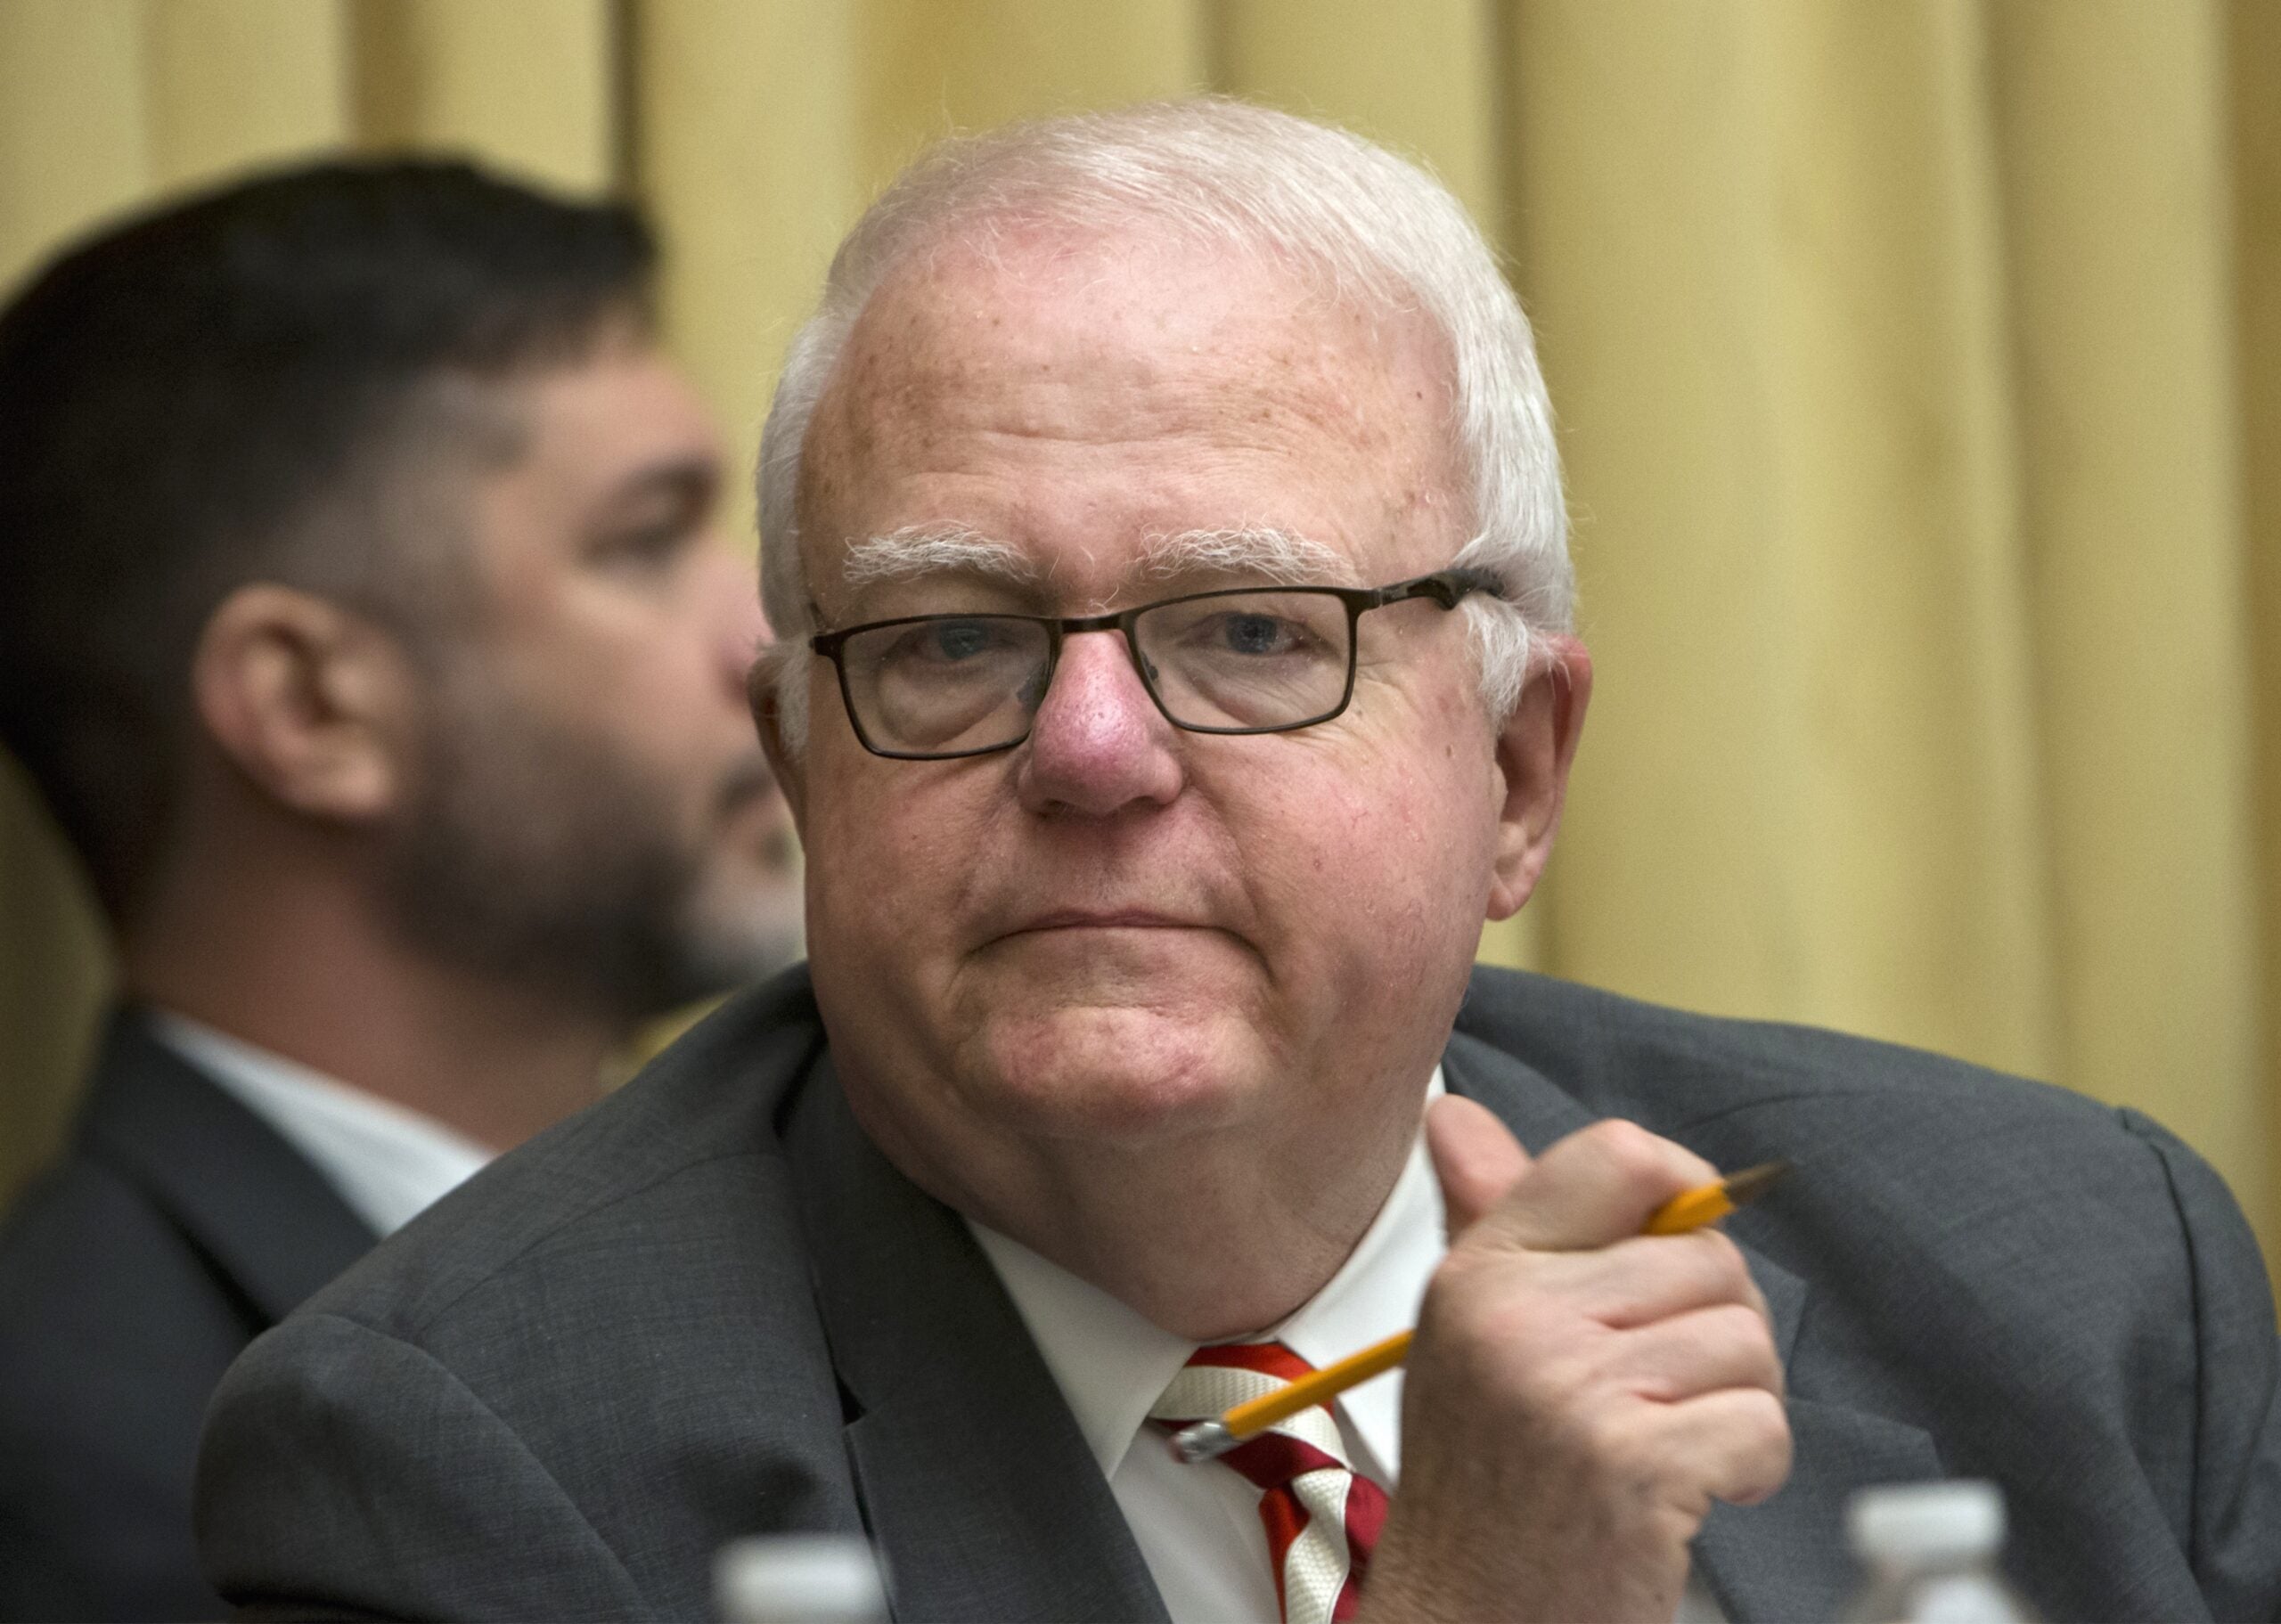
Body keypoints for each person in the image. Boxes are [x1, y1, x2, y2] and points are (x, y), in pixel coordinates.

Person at [194, 102, 2280, 1624]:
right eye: (947, 641)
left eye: (1252, 632)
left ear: (1518, 771)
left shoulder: (2072, 1281)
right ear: (802, 760)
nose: (1091, 752)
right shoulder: (455, 1475)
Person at [0, 160, 803, 1622]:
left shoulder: (829, 1273)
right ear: (311, 706)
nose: (761, 643)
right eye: (643, 540)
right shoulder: (76, 1458)